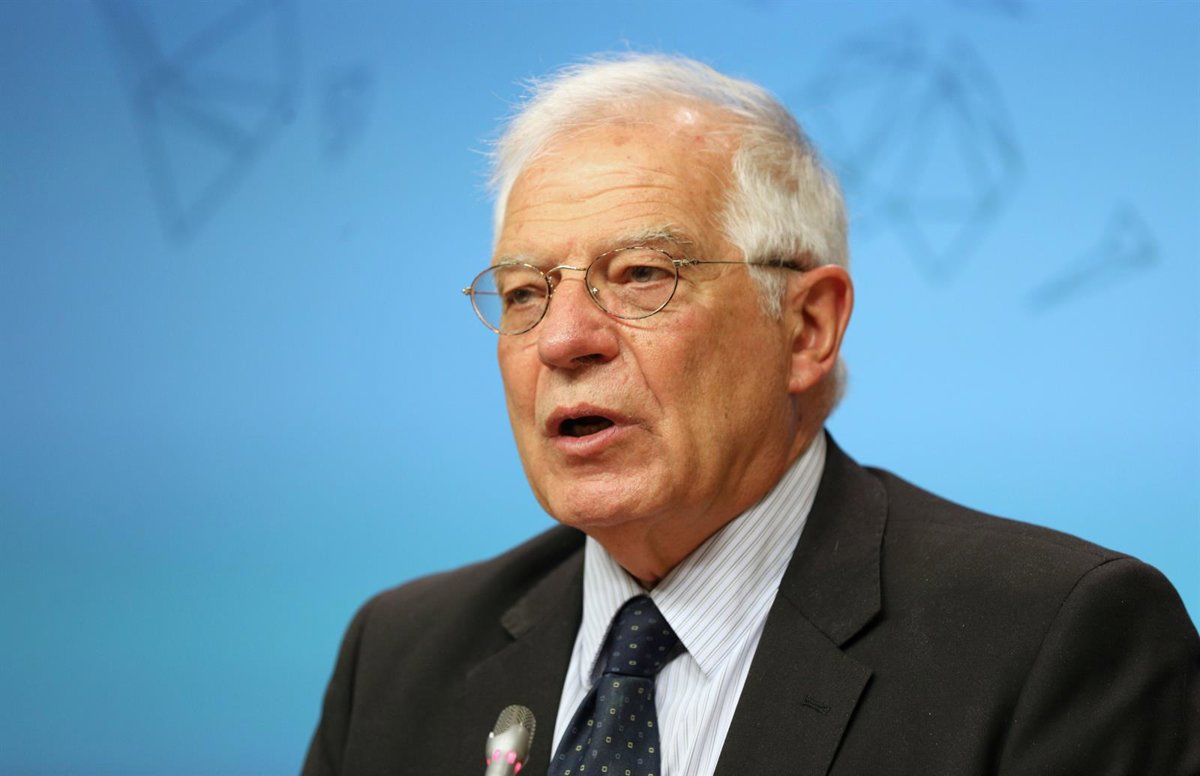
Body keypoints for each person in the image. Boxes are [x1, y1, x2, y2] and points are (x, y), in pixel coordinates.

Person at [302, 54, 1199, 776]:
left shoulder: (1052, 641)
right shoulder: (401, 657)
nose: (563, 340)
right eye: (525, 292)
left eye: (641, 276)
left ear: (807, 328)